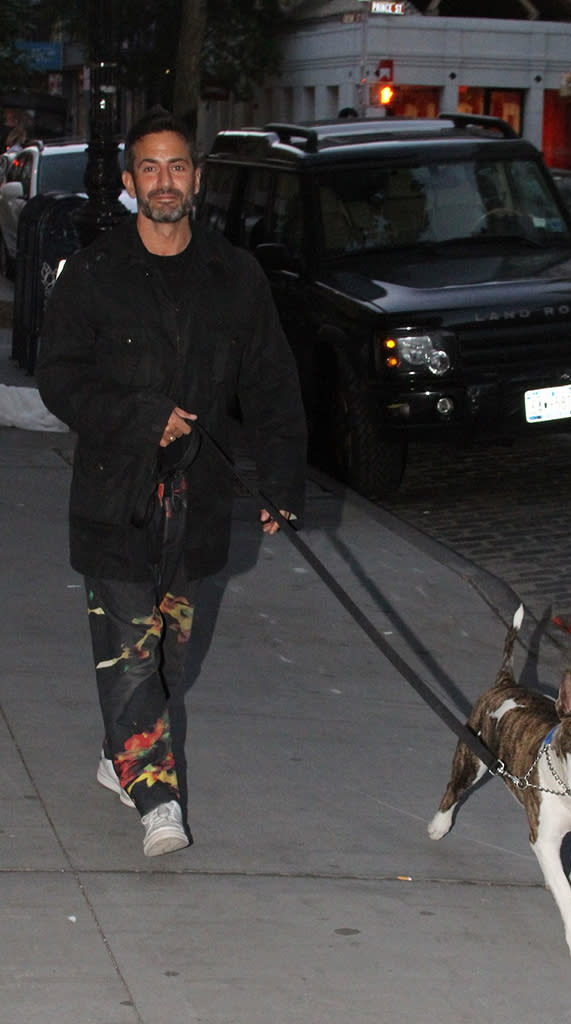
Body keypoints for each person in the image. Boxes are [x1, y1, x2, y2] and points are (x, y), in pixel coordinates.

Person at [37, 108, 308, 857]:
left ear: (197, 178)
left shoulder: (235, 276)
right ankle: (157, 799)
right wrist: (138, 417)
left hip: (199, 502)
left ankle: (121, 749)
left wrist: (282, 483)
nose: (164, 181)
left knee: (167, 657)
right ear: (128, 182)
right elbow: (59, 377)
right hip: (115, 496)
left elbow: (273, 384)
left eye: (177, 167)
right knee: (130, 650)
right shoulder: (94, 274)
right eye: (149, 168)